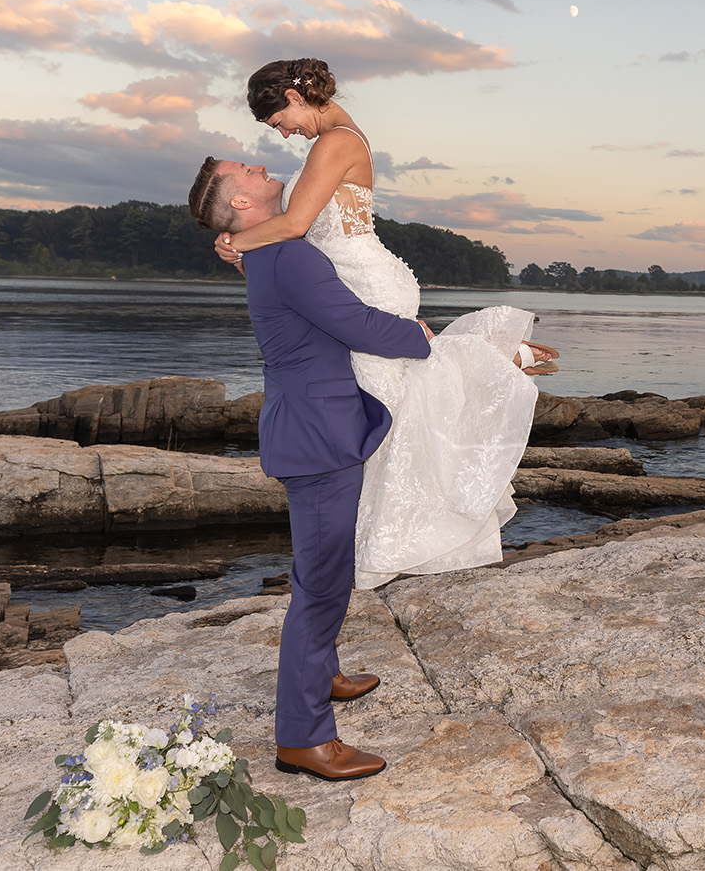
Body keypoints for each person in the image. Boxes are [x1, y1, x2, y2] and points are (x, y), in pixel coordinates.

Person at [210, 57, 555, 591]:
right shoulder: (333, 141)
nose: (286, 134)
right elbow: (294, 234)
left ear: (296, 98)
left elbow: (298, 225)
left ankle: (493, 361)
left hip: (361, 275)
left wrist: (233, 242)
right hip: (347, 274)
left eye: (280, 122)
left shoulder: (336, 141)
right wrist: (245, 252)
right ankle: (494, 360)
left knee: (396, 396)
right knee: (401, 399)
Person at [187, 157, 424, 782]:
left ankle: (324, 674)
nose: (263, 164)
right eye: (247, 169)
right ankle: (303, 738)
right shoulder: (285, 256)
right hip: (318, 434)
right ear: (240, 202)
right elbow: (354, 324)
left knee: (320, 568)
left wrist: (234, 246)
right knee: (320, 584)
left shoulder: (268, 250)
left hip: (312, 421)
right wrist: (424, 337)